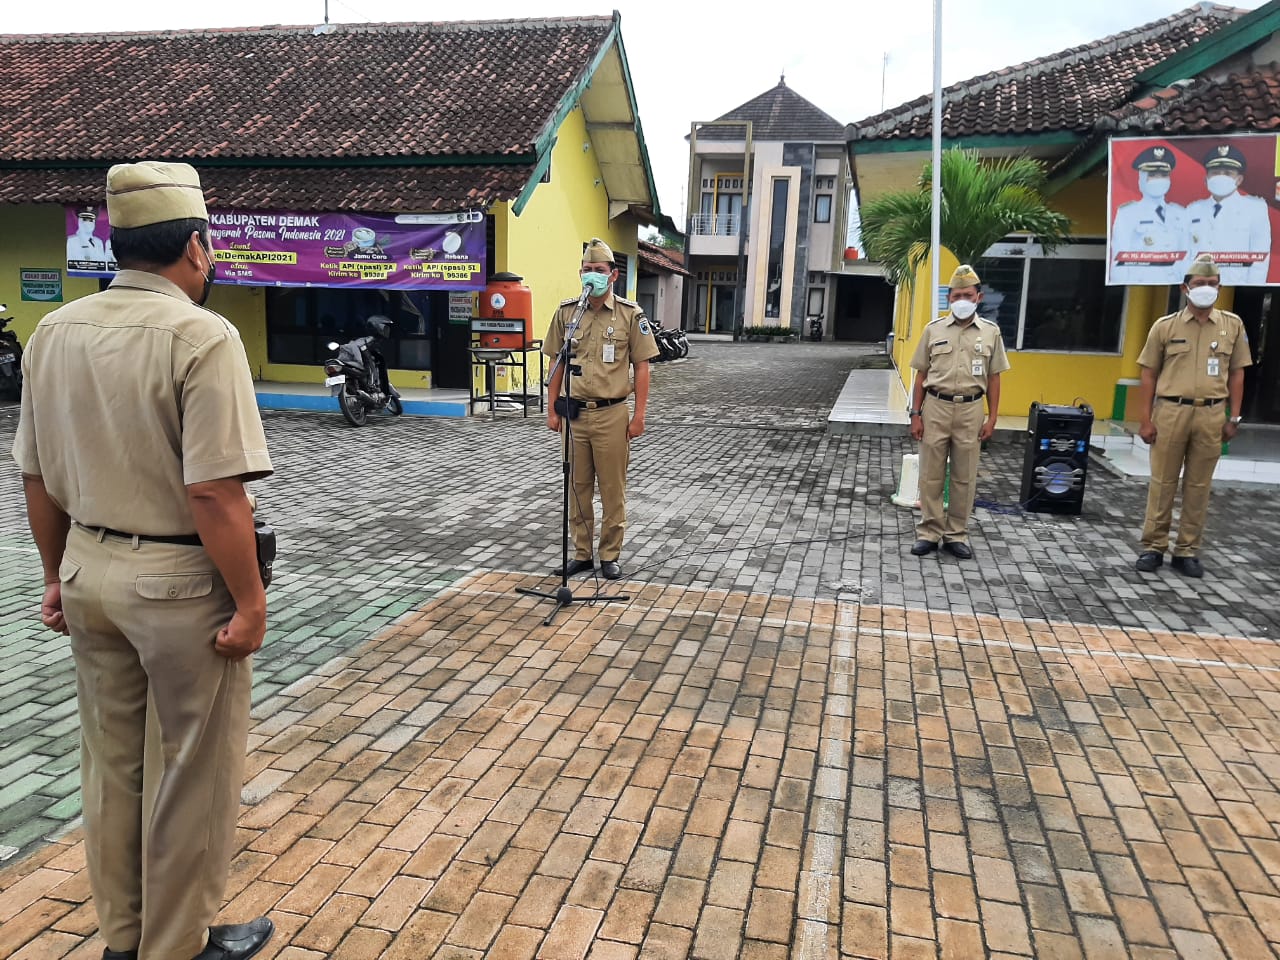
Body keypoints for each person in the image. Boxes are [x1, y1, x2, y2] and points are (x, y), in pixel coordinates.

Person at [12, 161, 275, 960]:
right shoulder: (201, 336)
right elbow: (215, 493)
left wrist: (55, 575)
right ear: (195, 246)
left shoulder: (55, 332)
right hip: (177, 586)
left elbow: (35, 477)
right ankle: (176, 945)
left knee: (113, 767)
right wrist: (250, 601)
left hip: (88, 569)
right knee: (190, 772)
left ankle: (124, 937)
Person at [544, 238, 658, 580]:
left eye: (598, 270)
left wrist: (639, 416)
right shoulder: (567, 313)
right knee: (577, 488)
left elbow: (642, 367)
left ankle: (609, 554)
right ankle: (582, 554)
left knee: (612, 489)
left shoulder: (630, 314)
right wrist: (551, 409)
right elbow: (556, 362)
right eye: (586, 270)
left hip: (612, 414)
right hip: (574, 415)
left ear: (613, 275)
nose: (591, 275)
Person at [1134, 254, 1251, 578]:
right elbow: (1148, 374)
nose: (1206, 289)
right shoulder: (1165, 326)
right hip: (1171, 411)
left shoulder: (1232, 325)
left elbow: (1238, 373)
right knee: (1163, 482)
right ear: (1185, 288)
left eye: (1212, 284)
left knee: (1199, 485)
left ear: (1220, 287)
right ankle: (1154, 546)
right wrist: (1145, 419)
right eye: (1200, 283)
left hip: (1212, 413)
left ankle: (1186, 550)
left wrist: (1234, 417)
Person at [908, 263, 1010, 560]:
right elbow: (920, 375)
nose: (961, 301)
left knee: (964, 476)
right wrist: (915, 414)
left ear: (979, 297)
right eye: (956, 296)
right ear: (948, 298)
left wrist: (992, 417)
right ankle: (929, 532)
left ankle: (956, 534)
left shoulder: (991, 332)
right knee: (931, 475)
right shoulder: (933, 330)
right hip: (936, 407)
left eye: (967, 295)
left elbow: (994, 378)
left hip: (971, 409)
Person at [1184, 144, 1271, 285]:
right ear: (1206, 179)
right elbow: (1185, 254)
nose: (1221, 177)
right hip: (1199, 287)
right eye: (1215, 172)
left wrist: (1251, 290)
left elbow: (1260, 260)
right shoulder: (1193, 209)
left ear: (1239, 180)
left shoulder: (1255, 209)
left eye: (1227, 173)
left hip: (1237, 287)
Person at [1110, 145, 1188, 286]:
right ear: (1141, 179)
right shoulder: (1128, 214)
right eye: (1152, 175)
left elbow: (1187, 256)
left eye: (1163, 175)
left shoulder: (1180, 213)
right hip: (1139, 285)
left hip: (1173, 286)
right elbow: (1119, 259)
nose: (1159, 179)